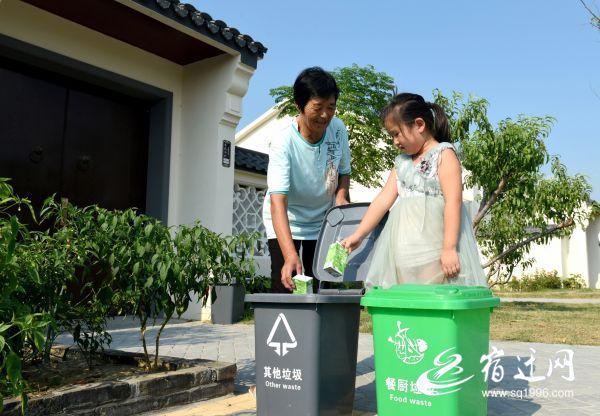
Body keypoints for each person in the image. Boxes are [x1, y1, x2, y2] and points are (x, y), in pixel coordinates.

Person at [341, 93, 487, 288]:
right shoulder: (401, 163)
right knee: (406, 293)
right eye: (391, 136)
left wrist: (449, 247)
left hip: (434, 247)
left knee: (432, 293)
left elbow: (454, 202)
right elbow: (384, 200)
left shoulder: (443, 154)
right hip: (404, 249)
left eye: (396, 133)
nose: (394, 141)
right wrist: (358, 235)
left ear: (419, 125)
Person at [263, 67, 351, 293]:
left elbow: (344, 172)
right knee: (287, 283)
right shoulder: (283, 142)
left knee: (322, 285)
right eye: (317, 107)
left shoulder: (338, 129)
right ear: (299, 106)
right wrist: (291, 254)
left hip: (323, 220)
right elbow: (278, 203)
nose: (325, 115)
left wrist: (341, 197)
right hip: (287, 220)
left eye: (330, 107)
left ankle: (318, 329)